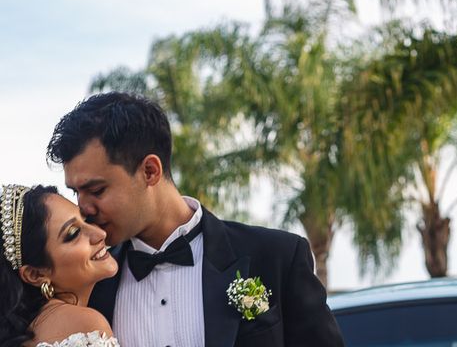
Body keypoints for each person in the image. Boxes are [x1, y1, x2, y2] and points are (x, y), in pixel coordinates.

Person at [46, 92, 345, 347]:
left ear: (150, 171)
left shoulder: (276, 257)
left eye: (96, 190)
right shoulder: (91, 287)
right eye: (76, 193)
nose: (83, 208)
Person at [0, 184, 120, 347]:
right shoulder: (83, 325)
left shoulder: (24, 332)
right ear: (35, 274)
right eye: (73, 233)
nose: (100, 234)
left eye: (86, 220)